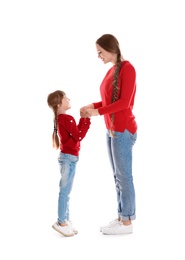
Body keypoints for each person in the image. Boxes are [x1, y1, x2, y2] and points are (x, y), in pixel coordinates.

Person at [80, 34, 137, 235]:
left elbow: (124, 103)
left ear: (110, 48)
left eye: (100, 52)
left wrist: (98, 112)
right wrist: (92, 106)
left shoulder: (128, 68)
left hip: (123, 130)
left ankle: (127, 223)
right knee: (118, 176)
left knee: (124, 177)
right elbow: (107, 102)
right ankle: (122, 216)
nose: (99, 56)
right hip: (112, 130)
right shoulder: (112, 71)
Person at [47, 90, 91, 237]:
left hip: (67, 157)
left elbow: (75, 135)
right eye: (66, 98)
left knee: (66, 191)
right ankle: (61, 222)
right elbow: (79, 135)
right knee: (65, 191)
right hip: (69, 158)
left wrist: (83, 120)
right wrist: (86, 119)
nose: (69, 99)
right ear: (59, 104)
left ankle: (65, 220)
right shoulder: (67, 118)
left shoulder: (60, 118)